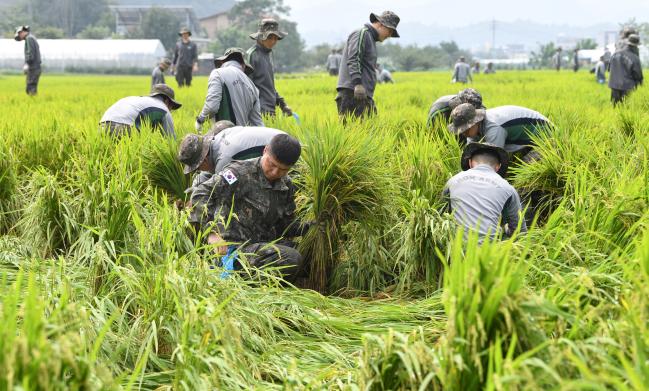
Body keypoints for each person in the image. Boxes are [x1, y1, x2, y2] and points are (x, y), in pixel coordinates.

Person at [188, 134, 310, 283]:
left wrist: (313, 228)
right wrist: (212, 233)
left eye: (283, 170)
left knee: (307, 251)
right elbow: (201, 193)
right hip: (234, 250)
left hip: (262, 246)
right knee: (292, 258)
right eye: (271, 164)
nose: (275, 173)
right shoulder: (237, 173)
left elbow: (286, 226)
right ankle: (238, 281)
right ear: (265, 151)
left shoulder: (286, 186)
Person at [443, 142, 526, 241]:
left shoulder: (453, 181)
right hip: (489, 252)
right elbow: (520, 231)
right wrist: (505, 230)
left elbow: (441, 215)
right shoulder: (507, 188)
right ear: (498, 167)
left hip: (456, 249)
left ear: (470, 162)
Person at [178, 123, 287, 194]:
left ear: (204, 160)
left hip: (284, 153)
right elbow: (208, 174)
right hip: (283, 139)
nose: (200, 171)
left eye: (198, 168)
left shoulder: (225, 158)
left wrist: (198, 197)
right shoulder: (217, 141)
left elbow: (227, 186)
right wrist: (195, 188)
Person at [336, 10, 401, 120]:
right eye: (389, 31)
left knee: (370, 130)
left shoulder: (370, 39)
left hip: (363, 94)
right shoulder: (362, 33)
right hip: (353, 92)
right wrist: (357, 84)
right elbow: (354, 58)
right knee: (354, 132)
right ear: (381, 24)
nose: (389, 36)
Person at [448, 103, 549, 161]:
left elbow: (494, 158)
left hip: (547, 137)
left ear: (475, 121)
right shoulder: (476, 128)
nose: (463, 133)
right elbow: (470, 152)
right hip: (524, 139)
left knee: (522, 170)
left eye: (466, 129)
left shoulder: (494, 128)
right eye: (461, 130)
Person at [195, 48, 264, 131]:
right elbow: (258, 124)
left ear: (222, 62)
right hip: (243, 138)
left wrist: (200, 120)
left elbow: (212, 107)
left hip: (223, 136)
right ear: (243, 65)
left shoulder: (218, 73)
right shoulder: (253, 86)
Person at [246, 18, 292, 117]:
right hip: (258, 112)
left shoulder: (268, 54)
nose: (273, 41)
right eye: (270, 37)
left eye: (276, 38)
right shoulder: (252, 55)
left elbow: (268, 85)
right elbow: (247, 87)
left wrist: (282, 104)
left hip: (270, 109)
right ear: (261, 37)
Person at [99, 84, 181, 138]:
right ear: (167, 101)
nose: (170, 110)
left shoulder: (139, 100)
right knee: (139, 155)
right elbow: (170, 140)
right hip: (123, 127)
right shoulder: (163, 108)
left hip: (102, 125)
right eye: (171, 106)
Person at [608, 34, 643, 106]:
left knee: (614, 106)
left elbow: (609, 69)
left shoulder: (615, 54)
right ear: (635, 46)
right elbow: (638, 75)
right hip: (627, 86)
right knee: (625, 107)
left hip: (614, 85)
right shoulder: (634, 58)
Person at [14, 25, 41, 96]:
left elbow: (30, 53)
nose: (19, 36)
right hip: (35, 67)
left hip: (33, 67)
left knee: (31, 87)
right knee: (31, 87)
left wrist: (27, 64)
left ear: (22, 32)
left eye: (19, 34)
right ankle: (33, 102)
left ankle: (33, 103)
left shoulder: (29, 39)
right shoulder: (31, 38)